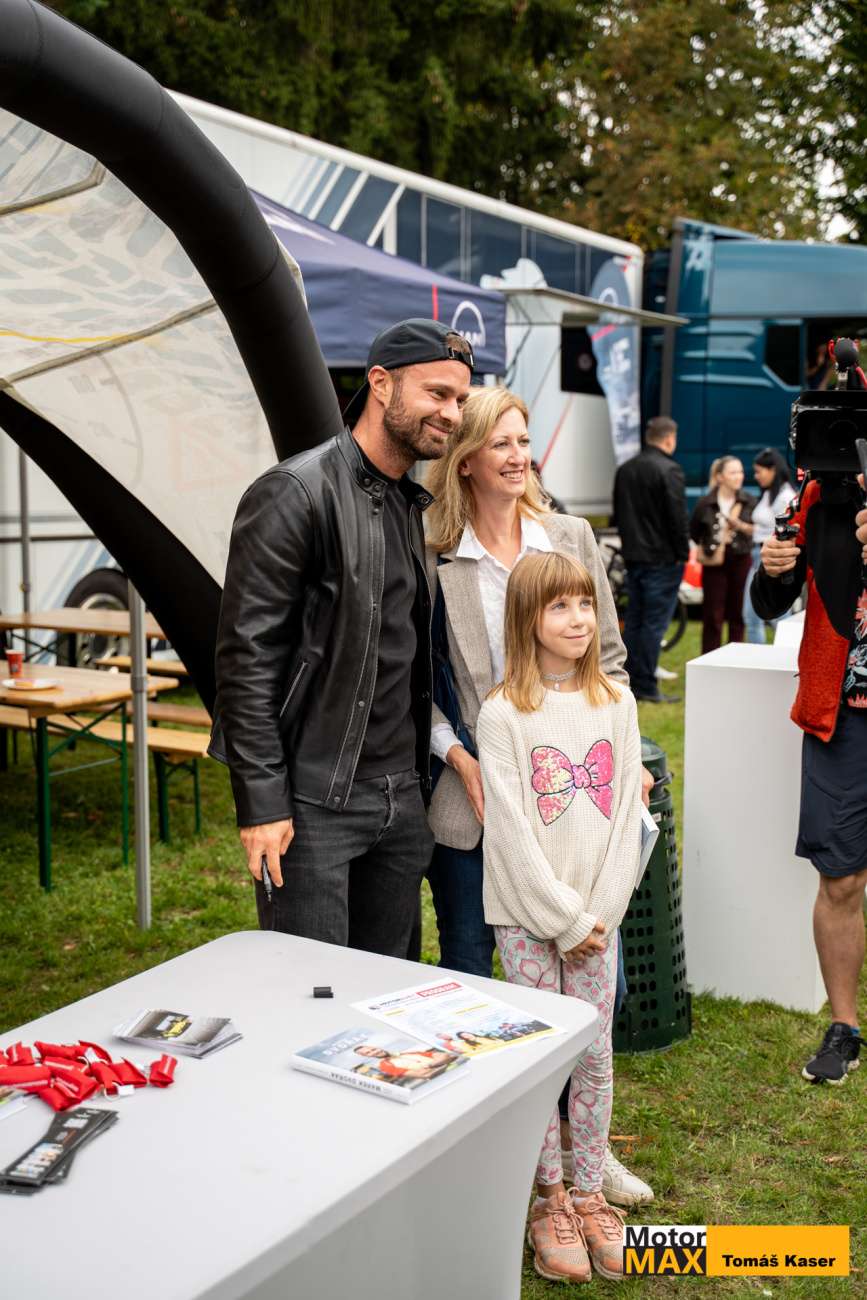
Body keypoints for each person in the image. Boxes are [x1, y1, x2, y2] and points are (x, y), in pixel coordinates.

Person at [423, 383, 653, 1210]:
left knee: (591, 986)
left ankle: (583, 1154)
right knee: (474, 973)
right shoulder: (432, 552)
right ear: (465, 459)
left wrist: (624, 756)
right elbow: (419, 682)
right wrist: (458, 756)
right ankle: (495, 1156)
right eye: (501, 443)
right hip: (477, 785)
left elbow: (610, 658)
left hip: (572, 793)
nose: (519, 456)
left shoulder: (568, 536)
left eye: (524, 441)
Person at [210, 318, 473, 958]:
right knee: (311, 989)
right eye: (437, 393)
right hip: (314, 803)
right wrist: (262, 803)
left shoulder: (409, 502)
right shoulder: (295, 493)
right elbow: (246, 665)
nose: (452, 413)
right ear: (380, 384)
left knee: (385, 993)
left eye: (460, 399)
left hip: (401, 799)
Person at [477, 551, 644, 1283]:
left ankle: (588, 1192)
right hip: (526, 919)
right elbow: (510, 831)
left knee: (594, 1052)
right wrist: (562, 920)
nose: (578, 620)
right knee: (541, 1054)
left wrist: (595, 916)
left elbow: (626, 818)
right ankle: (548, 1199)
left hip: (598, 922)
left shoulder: (617, 703)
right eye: (559, 606)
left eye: (585, 604)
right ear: (526, 618)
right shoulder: (501, 714)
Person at [753, 474, 866, 1085]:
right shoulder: (822, 495)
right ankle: (844, 1028)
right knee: (841, 878)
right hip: (843, 715)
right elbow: (770, 602)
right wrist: (774, 571)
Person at [612, 415, 690, 703]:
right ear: (669, 439)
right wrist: (683, 553)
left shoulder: (626, 470)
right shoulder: (669, 469)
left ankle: (629, 680)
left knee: (635, 620)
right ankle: (644, 683)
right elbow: (677, 517)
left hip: (634, 556)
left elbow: (619, 513)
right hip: (663, 558)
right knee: (653, 624)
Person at [690, 456, 756, 654]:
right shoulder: (705, 503)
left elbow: (759, 529)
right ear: (720, 477)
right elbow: (694, 532)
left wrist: (741, 527)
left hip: (741, 559)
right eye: (733, 472)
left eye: (740, 472)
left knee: (738, 613)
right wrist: (712, 543)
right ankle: (709, 659)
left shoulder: (748, 501)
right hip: (714, 561)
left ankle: (735, 659)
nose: (739, 476)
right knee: (712, 614)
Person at [742, 448, 797, 644]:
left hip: (772, 557)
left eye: (759, 471)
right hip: (758, 555)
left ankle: (782, 653)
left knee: (775, 617)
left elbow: (789, 529)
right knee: (754, 616)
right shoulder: (770, 494)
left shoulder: (785, 496)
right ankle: (765, 654)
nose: (756, 476)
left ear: (773, 469)